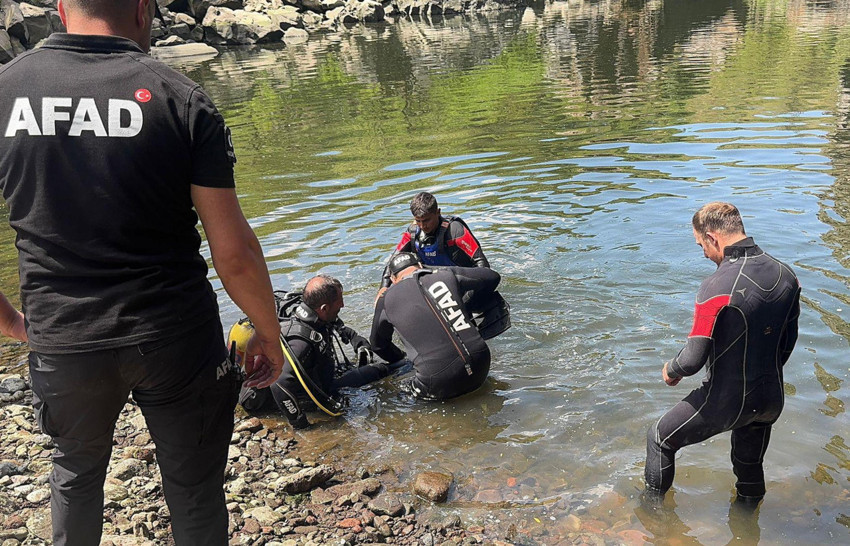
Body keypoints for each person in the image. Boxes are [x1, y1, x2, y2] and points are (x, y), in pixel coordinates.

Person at [0, 0, 284, 544]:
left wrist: (13, 323)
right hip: (174, 337)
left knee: (75, 476)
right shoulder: (181, 97)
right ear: (142, 9)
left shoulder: (6, 92)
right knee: (195, 493)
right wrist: (268, 333)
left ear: (60, 10)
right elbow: (234, 253)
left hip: (64, 339)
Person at [644, 202, 801, 504]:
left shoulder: (716, 285)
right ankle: (747, 523)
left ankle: (653, 517)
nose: (703, 253)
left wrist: (671, 369)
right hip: (771, 398)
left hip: (726, 401)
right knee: (749, 465)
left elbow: (692, 360)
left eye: (700, 245)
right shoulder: (787, 275)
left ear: (712, 237)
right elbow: (787, 344)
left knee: (660, 438)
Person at [240, 275, 395, 429]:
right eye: (339, 304)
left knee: (361, 369)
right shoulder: (300, 343)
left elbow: (339, 327)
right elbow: (279, 384)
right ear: (324, 308)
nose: (342, 306)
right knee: (379, 370)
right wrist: (300, 423)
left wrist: (359, 343)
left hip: (313, 377)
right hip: (279, 396)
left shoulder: (314, 314)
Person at [370, 252, 501, 400]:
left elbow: (378, 346)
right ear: (420, 265)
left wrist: (402, 359)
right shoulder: (445, 274)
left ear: (393, 279)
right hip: (481, 362)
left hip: (436, 382)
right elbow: (492, 276)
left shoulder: (386, 299)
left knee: (389, 386)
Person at [379, 191, 490, 293]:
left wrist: (469, 296)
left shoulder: (455, 231)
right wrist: (383, 289)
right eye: (418, 221)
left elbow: (483, 265)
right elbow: (393, 262)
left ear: (438, 212)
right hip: (434, 286)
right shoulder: (413, 232)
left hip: (462, 284)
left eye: (426, 220)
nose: (422, 226)